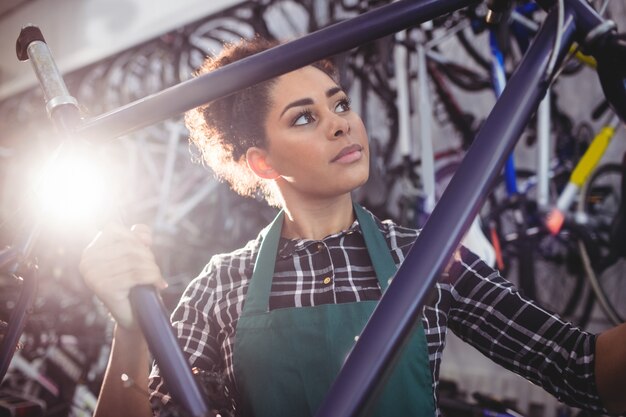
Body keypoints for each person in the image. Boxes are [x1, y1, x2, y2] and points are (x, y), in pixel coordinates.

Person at [79, 36, 626, 417]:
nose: (341, 122)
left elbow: (579, 369)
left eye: (338, 103)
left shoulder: (426, 258)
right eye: (304, 117)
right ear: (262, 163)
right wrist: (130, 332)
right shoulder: (222, 285)